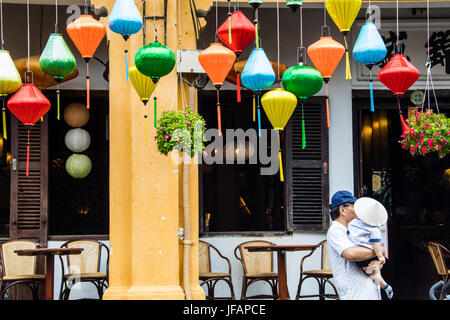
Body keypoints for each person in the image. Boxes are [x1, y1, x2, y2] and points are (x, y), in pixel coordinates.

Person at [327, 190, 386, 300]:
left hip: (367, 289)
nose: (358, 211)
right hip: (354, 293)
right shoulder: (336, 230)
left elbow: (371, 259)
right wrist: (378, 251)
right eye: (354, 206)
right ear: (342, 209)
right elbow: (350, 253)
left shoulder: (353, 229)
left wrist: (377, 262)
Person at [348, 197, 393, 299]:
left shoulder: (353, 222)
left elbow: (348, 234)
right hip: (367, 255)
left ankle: (380, 288)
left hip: (356, 252)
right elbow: (375, 245)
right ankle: (385, 286)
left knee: (372, 272)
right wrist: (380, 257)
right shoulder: (374, 229)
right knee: (375, 273)